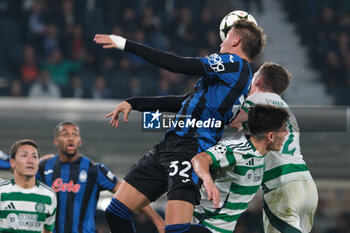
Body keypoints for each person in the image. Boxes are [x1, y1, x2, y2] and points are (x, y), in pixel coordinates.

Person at [94, 19, 266, 233]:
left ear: (236, 40)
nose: (222, 41)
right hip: (168, 146)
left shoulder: (234, 64)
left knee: (176, 230)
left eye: (228, 35)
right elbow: (183, 102)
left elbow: (179, 65)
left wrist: (126, 44)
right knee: (116, 212)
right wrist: (134, 102)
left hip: (190, 150)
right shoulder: (229, 79)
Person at [230, 63, 318, 233]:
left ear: (260, 79)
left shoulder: (257, 99)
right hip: (306, 183)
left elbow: (233, 119)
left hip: (282, 185)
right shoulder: (287, 109)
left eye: (254, 75)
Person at [36, 120, 164, 233]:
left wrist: (157, 221)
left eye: (74, 134)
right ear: (56, 141)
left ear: (79, 141)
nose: (71, 138)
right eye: (65, 134)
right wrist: (37, 162)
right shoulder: (43, 167)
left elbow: (129, 195)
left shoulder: (94, 170)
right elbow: (18, 175)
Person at [191, 104, 289, 233]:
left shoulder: (261, 150)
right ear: (270, 136)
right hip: (205, 225)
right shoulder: (237, 150)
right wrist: (208, 181)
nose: (286, 134)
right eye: (284, 130)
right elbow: (199, 159)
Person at [0, 139, 57, 233]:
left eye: (34, 157)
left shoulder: (49, 196)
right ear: (13, 162)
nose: (30, 160)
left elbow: (47, 230)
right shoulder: (2, 191)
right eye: (24, 155)